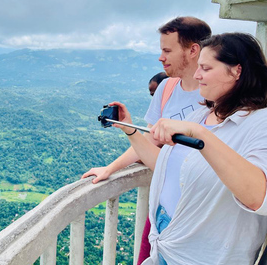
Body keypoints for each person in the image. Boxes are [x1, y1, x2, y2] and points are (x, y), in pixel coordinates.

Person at [111, 33, 267, 264]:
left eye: (205, 68)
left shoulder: (259, 122)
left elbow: (258, 197)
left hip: (204, 253)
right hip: (166, 236)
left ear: (237, 71)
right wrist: (131, 130)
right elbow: (167, 167)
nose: (197, 75)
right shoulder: (202, 114)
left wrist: (200, 133)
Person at [82, 17, 211, 264]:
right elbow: (149, 141)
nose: (161, 58)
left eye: (167, 50)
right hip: (163, 205)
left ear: (193, 49)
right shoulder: (167, 89)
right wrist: (110, 168)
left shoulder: (214, 96)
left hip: (197, 214)